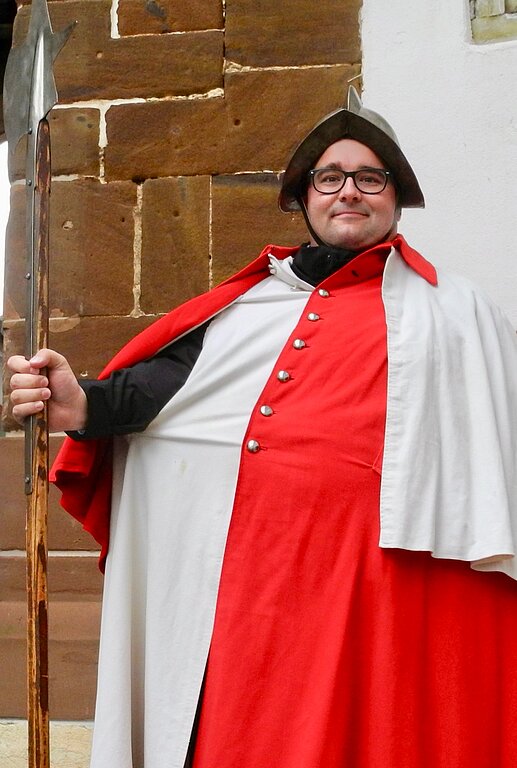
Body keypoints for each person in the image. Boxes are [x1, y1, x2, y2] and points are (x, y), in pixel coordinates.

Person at [8, 87, 517, 768]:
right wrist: (80, 406)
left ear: (396, 196)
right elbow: (160, 392)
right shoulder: (245, 307)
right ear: (303, 198)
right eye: (329, 178)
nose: (348, 192)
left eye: (369, 178)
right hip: (254, 586)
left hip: (383, 592)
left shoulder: (456, 312)